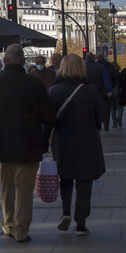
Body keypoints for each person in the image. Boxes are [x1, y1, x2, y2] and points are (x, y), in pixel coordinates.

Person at [0, 45, 55, 243]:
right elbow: (48, 116)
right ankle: (21, 229)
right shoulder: (34, 84)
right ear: (23, 62)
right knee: (24, 188)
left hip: (3, 144)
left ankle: (8, 223)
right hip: (29, 144)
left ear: (4, 61)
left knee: (7, 186)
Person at [49, 54, 106, 236]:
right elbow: (101, 118)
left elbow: (47, 119)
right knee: (84, 181)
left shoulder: (53, 91)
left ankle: (65, 213)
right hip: (86, 141)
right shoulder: (90, 91)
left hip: (62, 141)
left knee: (65, 179)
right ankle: (81, 222)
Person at [85, 51, 112, 130]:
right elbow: (106, 80)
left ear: (86, 58)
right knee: (99, 107)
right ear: (94, 58)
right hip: (99, 91)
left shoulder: (83, 67)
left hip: (86, 91)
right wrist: (109, 90)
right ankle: (102, 124)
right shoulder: (100, 67)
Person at [98, 54, 122, 129]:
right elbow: (115, 79)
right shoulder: (111, 67)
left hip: (97, 89)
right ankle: (106, 124)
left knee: (97, 108)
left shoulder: (96, 67)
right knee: (108, 108)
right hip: (108, 90)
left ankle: (99, 123)